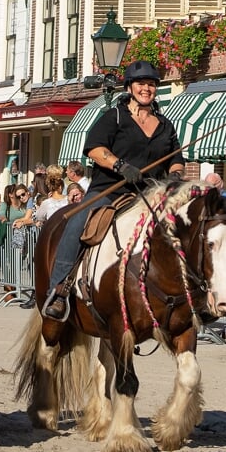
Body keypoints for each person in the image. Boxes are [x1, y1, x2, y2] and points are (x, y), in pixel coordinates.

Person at [42, 61, 185, 321]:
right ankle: (59, 290)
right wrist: (120, 165)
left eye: (151, 84)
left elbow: (176, 157)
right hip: (110, 191)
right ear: (130, 87)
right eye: (141, 84)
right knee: (76, 223)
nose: (147, 89)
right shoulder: (114, 117)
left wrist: (175, 175)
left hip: (150, 194)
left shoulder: (165, 124)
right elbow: (94, 149)